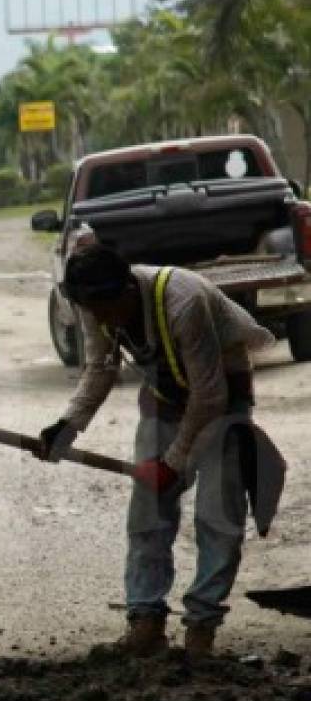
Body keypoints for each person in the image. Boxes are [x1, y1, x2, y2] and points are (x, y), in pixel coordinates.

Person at [37, 242, 274, 659]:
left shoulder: (184, 301)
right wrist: (66, 427)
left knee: (218, 517)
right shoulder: (94, 303)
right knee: (148, 511)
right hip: (164, 396)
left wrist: (174, 462)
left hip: (223, 396)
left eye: (105, 309)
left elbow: (209, 396)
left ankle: (201, 625)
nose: (98, 319)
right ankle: (145, 621)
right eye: (90, 310)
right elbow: (100, 367)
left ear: (127, 291)